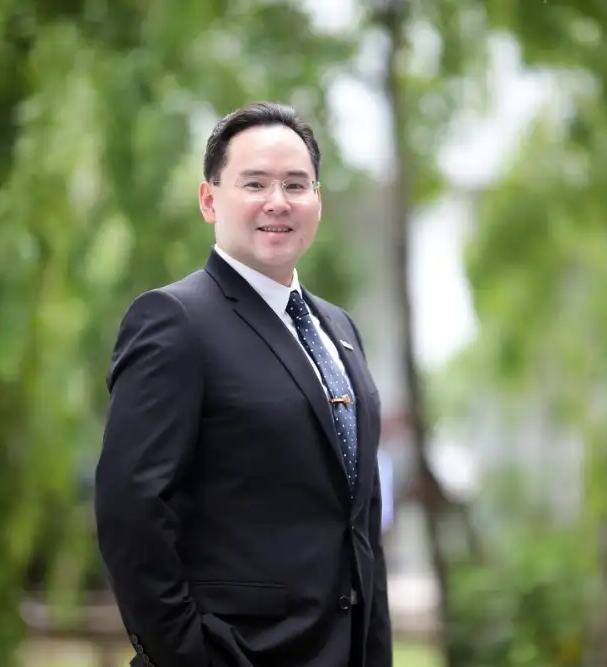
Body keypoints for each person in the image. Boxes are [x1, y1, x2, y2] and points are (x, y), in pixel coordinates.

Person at [94, 102, 392, 667]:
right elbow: (131, 511)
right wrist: (187, 655)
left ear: (318, 201)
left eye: (296, 185)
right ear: (209, 200)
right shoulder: (175, 321)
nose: (278, 201)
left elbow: (360, 522)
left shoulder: (339, 329)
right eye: (254, 183)